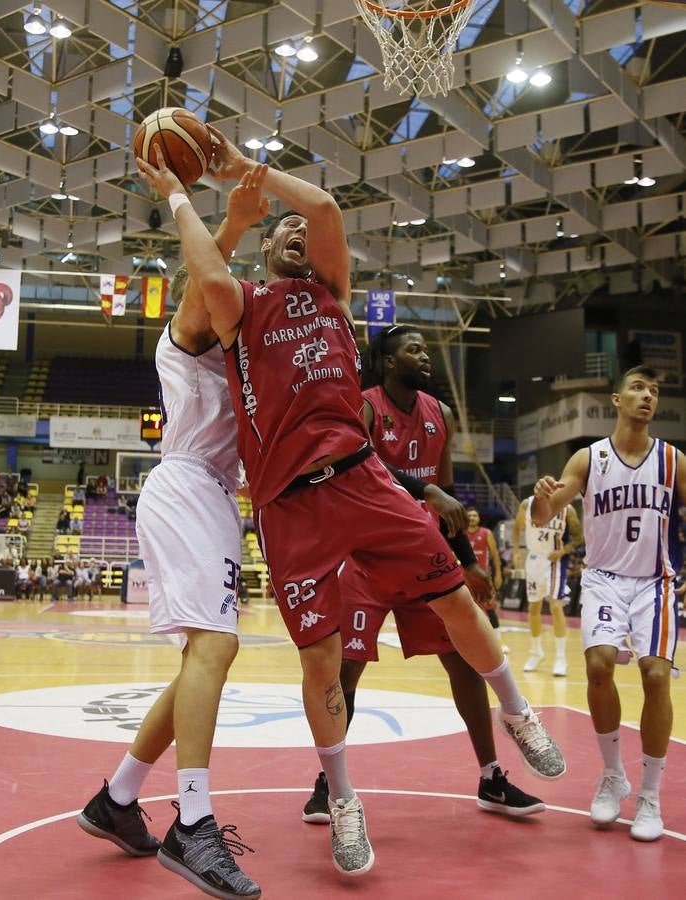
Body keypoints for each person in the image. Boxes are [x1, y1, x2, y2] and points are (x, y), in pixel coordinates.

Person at [137, 135, 565, 878]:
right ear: (266, 248)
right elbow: (207, 270)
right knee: (323, 662)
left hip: (363, 478)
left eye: (303, 230)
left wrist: (250, 172)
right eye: (285, 230)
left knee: (457, 599)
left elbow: (328, 205)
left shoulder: (331, 291)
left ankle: (516, 713)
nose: (300, 232)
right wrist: (181, 196)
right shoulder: (242, 310)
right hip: (289, 506)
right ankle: (340, 797)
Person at [78, 164, 267, 900]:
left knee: (198, 657)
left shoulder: (243, 353)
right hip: (186, 485)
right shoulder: (188, 341)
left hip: (215, 498)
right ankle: (194, 822)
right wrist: (217, 214)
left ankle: (118, 800)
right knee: (216, 646)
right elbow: (203, 280)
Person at [302, 326, 545, 824]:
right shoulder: (364, 406)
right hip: (366, 559)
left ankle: (491, 776)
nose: (425, 355)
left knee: (463, 660)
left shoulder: (442, 415)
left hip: (424, 559)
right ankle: (329, 784)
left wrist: (470, 561)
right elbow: (354, 468)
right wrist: (425, 492)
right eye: (414, 349)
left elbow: (451, 498)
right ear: (388, 362)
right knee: (345, 673)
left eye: (426, 348)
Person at [531, 365, 686, 842]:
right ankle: (614, 774)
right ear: (617, 400)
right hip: (601, 579)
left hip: (653, 582)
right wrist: (541, 500)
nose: (647, 397)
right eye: (638, 388)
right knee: (599, 666)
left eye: (654, 392)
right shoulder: (588, 458)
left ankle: (650, 796)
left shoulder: (674, 460)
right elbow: (545, 514)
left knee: (656, 675)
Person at [512, 497, 583, 676]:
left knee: (555, 606)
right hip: (534, 559)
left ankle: (561, 658)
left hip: (555, 561)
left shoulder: (567, 509)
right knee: (533, 608)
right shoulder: (527, 505)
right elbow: (516, 527)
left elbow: (579, 536)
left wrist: (563, 551)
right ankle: (536, 652)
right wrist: (515, 552)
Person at [466, 507, 509, 652]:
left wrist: (498, 574)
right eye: (469, 515)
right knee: (467, 611)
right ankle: (472, 642)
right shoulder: (461, 534)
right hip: (464, 580)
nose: (472, 518)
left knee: (490, 609)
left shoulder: (486, 533)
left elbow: (495, 555)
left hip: (483, 579)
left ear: (479, 518)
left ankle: (498, 642)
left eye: (474, 515)